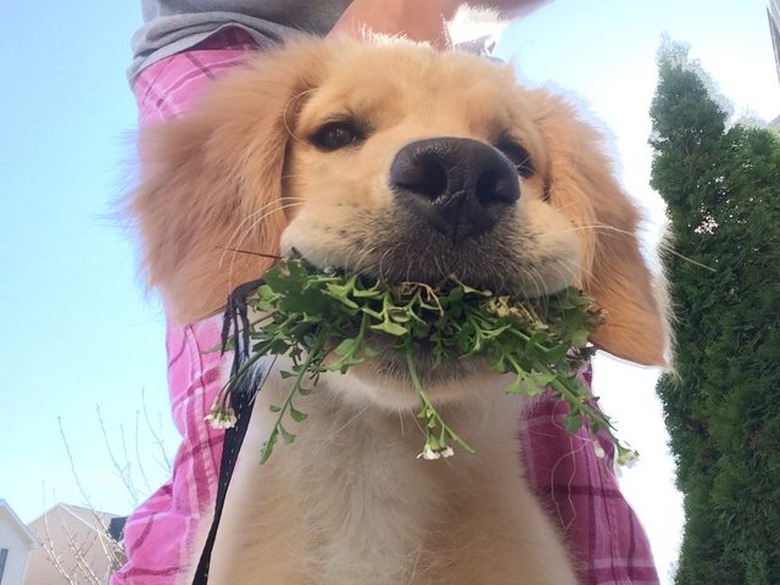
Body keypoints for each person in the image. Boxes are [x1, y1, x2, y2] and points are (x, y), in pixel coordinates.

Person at [115, 2, 660, 583]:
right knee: (231, 440)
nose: (462, 177)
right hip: (232, 32)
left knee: (571, 484)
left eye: (516, 158)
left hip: (455, 35)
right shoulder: (250, 123)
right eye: (339, 131)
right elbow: (208, 271)